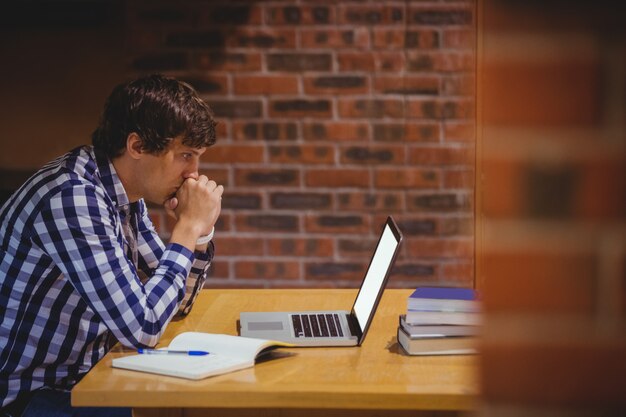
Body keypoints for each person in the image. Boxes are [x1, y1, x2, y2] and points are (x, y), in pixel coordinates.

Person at [0, 74, 223, 417]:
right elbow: (144, 328)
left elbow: (174, 303)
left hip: (85, 379)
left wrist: (200, 233)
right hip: (29, 396)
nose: (193, 174)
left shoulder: (122, 196)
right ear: (137, 146)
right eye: (185, 155)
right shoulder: (73, 198)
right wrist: (188, 229)